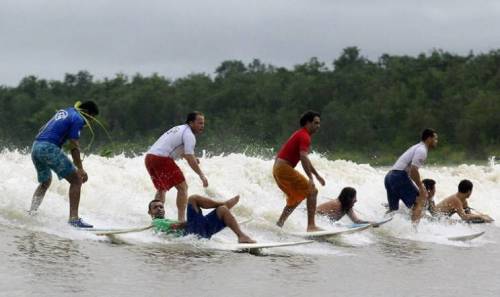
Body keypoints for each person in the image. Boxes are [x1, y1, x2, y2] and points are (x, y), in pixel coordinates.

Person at [29, 101, 99, 228]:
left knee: (45, 182)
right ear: (88, 113)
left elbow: (42, 129)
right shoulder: (78, 118)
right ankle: (74, 219)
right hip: (48, 148)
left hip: (35, 147)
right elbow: (74, 146)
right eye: (91, 118)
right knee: (77, 179)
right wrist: (80, 169)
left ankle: (31, 212)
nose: (90, 122)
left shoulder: (65, 111)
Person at [145, 112, 208, 222]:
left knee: (161, 189)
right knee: (183, 188)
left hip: (149, 158)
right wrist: (201, 175)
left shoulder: (178, 128)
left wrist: (192, 157)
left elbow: (176, 148)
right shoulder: (189, 135)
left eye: (203, 123)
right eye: (199, 123)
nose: (202, 126)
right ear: (191, 123)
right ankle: (181, 221)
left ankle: (156, 220)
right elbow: (189, 157)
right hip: (162, 159)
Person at [273, 111, 325, 232]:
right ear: (308, 123)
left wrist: (316, 175)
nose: (318, 126)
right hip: (283, 168)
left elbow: (305, 158)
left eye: (319, 123)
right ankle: (311, 226)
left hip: (278, 169)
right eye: (316, 123)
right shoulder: (304, 136)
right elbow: (303, 158)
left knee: (297, 196)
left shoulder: (301, 134)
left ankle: (279, 223)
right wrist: (311, 178)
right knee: (312, 191)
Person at [148, 194, 256, 243]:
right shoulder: (157, 222)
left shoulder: (166, 220)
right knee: (192, 199)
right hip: (191, 235)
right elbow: (176, 226)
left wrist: (189, 222)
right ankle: (224, 203)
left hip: (201, 233)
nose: (159, 209)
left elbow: (178, 225)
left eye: (161, 206)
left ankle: (242, 237)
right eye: (155, 207)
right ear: (150, 212)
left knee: (222, 210)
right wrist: (188, 222)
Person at [384, 128, 438, 223]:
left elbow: (411, 172)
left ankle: (381, 226)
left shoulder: (416, 147)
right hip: (398, 176)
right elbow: (413, 170)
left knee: (393, 210)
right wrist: (421, 187)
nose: (436, 141)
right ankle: (414, 231)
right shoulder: (422, 150)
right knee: (420, 201)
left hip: (389, 176)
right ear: (429, 139)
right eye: (435, 139)